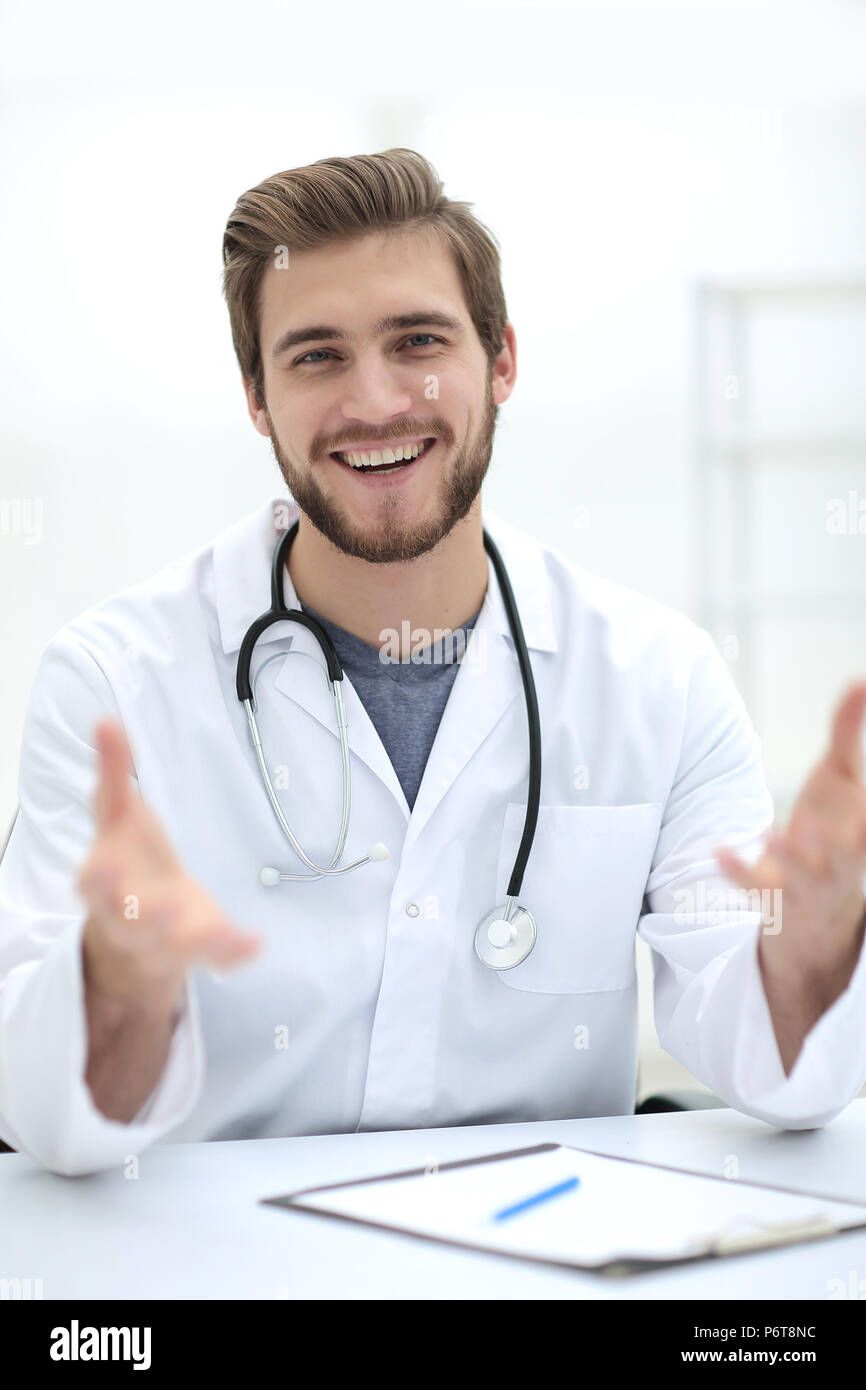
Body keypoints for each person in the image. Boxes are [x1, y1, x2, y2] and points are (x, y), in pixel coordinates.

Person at [1, 149, 865, 1177]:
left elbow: (771, 1067)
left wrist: (814, 940)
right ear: (257, 397)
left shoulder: (658, 681)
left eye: (416, 341)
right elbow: (43, 1116)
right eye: (315, 356)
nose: (374, 402)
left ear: (500, 359)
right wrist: (117, 983)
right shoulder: (112, 687)